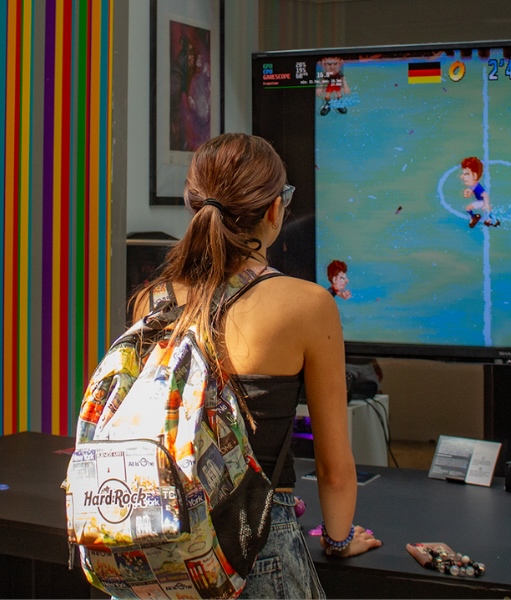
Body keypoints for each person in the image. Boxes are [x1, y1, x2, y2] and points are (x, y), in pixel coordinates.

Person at [131, 133, 381, 598]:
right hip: (256, 553)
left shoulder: (153, 300)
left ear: (193, 205)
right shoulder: (307, 305)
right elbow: (334, 469)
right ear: (273, 211)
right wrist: (339, 539)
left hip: (160, 551)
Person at [461, 156, 499, 228]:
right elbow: (473, 190)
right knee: (488, 212)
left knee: (468, 208)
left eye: (466, 174)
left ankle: (476, 217)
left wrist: (486, 204)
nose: (462, 177)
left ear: (474, 175)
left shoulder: (477, 186)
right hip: (480, 201)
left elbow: (485, 195)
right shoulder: (474, 185)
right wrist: (470, 192)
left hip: (481, 201)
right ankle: (491, 220)